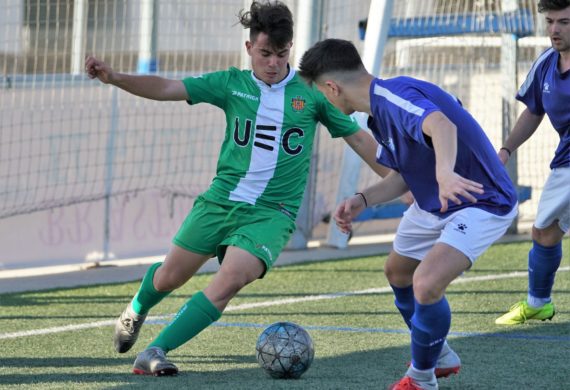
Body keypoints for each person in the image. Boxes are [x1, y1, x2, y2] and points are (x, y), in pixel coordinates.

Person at [85, 1, 387, 376]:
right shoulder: (231, 84)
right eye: (264, 53)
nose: (273, 62)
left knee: (229, 280)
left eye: (281, 53)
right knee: (169, 278)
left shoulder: (312, 93)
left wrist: (404, 182)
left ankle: (155, 351)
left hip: (272, 214)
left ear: (290, 48)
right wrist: (115, 77)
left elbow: (358, 139)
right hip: (219, 202)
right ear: (249, 49)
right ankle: (136, 309)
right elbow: (166, 86)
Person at [298, 39, 518, 390]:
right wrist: (362, 199)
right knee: (398, 272)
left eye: (321, 95)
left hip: (481, 201)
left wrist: (445, 173)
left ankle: (421, 378)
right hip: (435, 203)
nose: (323, 102)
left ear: (332, 88)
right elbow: (403, 174)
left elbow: (442, 125)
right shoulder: (378, 114)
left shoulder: (393, 98)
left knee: (427, 283)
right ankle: (440, 355)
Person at [495, 0, 569, 325]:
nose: (554, 29)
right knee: (545, 232)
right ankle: (538, 303)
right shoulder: (547, 63)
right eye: (550, 21)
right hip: (565, 161)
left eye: (565, 22)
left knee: (545, 231)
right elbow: (533, 111)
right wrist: (506, 149)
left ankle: (538, 301)